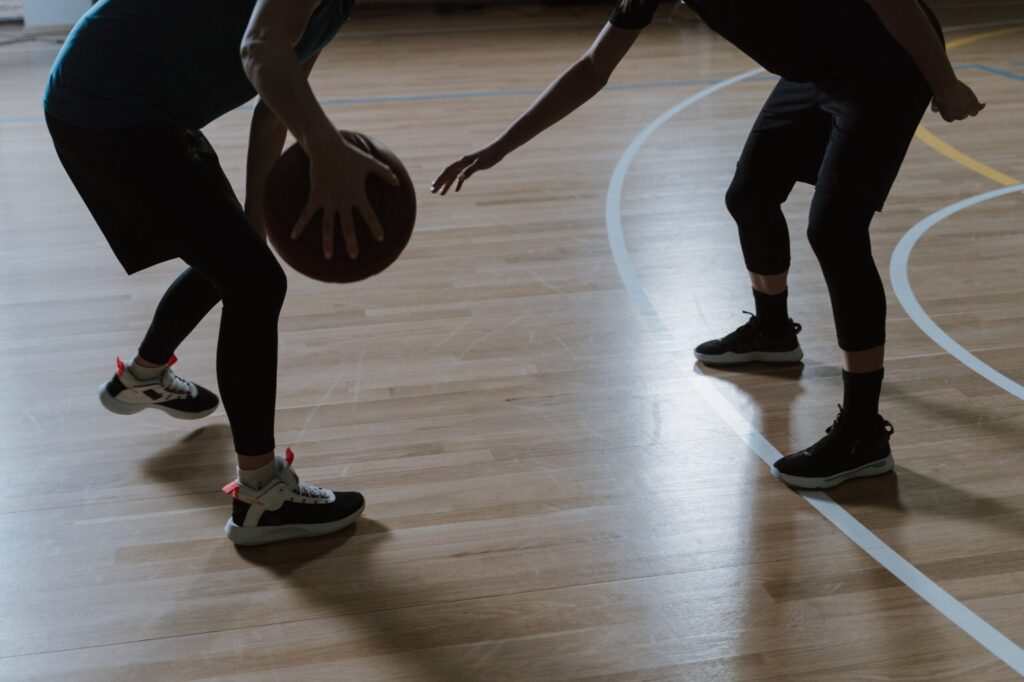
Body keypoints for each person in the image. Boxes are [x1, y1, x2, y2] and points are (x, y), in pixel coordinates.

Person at [432, 0, 984, 489]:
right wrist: (503, 145)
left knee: (835, 230)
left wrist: (944, 82)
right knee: (750, 195)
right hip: (817, 70)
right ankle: (771, 332)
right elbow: (595, 66)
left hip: (885, 61)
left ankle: (864, 434)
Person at [44, 0, 398, 544]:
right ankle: (261, 496)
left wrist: (257, 216)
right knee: (255, 281)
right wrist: (324, 149)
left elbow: (274, 100)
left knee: (239, 260)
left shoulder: (337, 6)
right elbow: (259, 50)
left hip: (134, 102)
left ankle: (142, 377)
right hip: (109, 106)